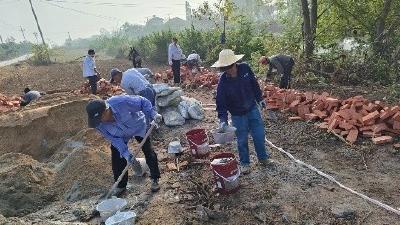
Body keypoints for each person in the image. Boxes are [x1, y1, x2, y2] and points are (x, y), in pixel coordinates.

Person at [86, 95, 163, 195]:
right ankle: (121, 185)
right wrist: (126, 154)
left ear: (106, 111)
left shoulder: (121, 102)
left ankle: (155, 178)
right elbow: (114, 139)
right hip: (120, 135)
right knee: (117, 154)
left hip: (138, 126)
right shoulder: (98, 124)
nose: (99, 122)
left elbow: (142, 102)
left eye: (100, 118)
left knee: (147, 149)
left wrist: (153, 114)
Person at [212, 49, 272, 175]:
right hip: (237, 115)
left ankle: (263, 158)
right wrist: (223, 120)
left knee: (259, 135)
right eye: (226, 68)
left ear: (235, 63)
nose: (230, 70)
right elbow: (221, 103)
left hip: (252, 109)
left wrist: (260, 99)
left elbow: (254, 84)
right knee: (242, 140)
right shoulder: (223, 82)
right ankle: (245, 163)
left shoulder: (245, 68)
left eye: (231, 66)